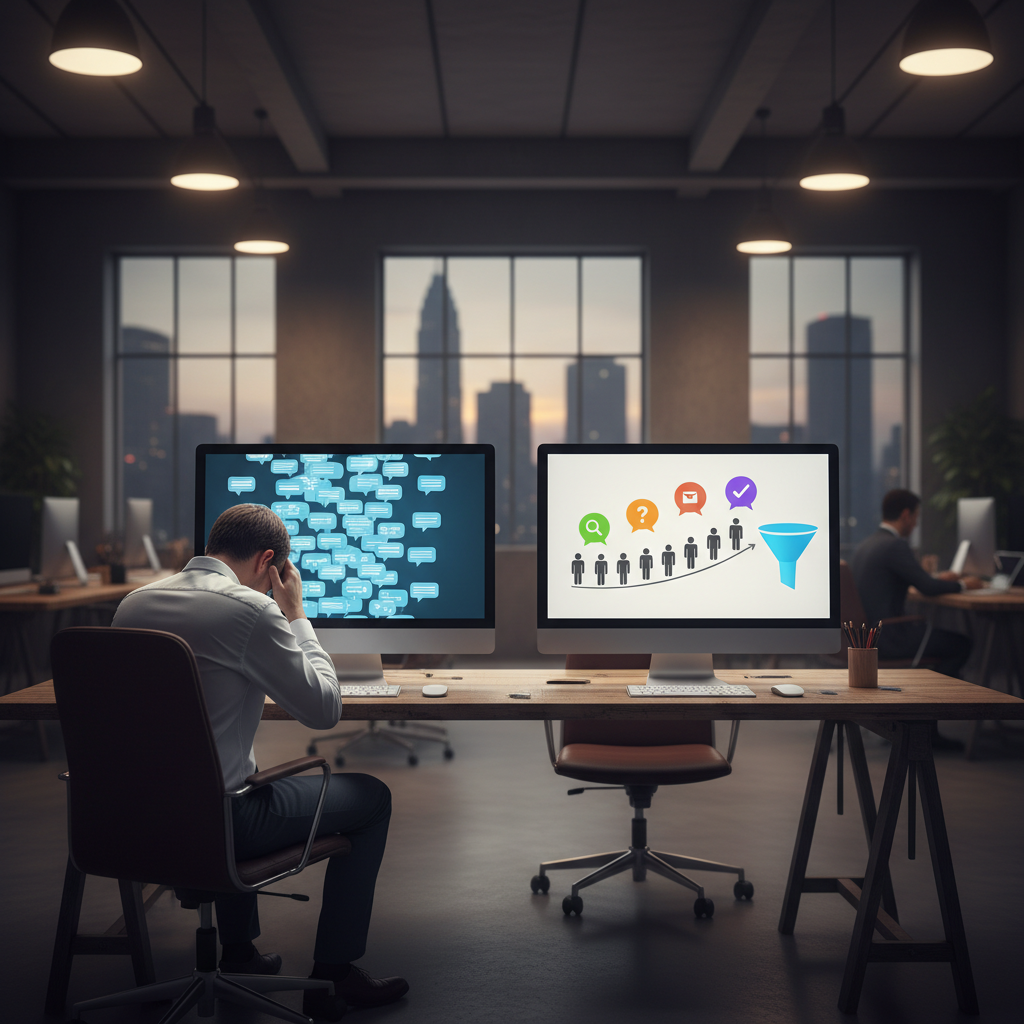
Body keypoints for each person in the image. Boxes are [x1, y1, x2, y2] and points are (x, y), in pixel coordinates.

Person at [112, 505, 407, 1021]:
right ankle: (335, 974)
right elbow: (323, 708)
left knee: (231, 771)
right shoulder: (251, 609)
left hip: (132, 823)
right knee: (371, 798)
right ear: (269, 561)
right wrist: (295, 612)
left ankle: (241, 951)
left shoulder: (134, 604)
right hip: (222, 826)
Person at [849, 489, 983, 751]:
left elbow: (919, 581)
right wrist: (966, 585)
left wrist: (939, 580)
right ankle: (922, 721)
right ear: (906, 515)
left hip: (869, 637)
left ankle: (914, 716)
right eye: (917, 517)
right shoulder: (895, 545)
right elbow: (928, 588)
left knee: (948, 641)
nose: (917, 524)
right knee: (960, 645)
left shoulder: (868, 544)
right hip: (891, 638)